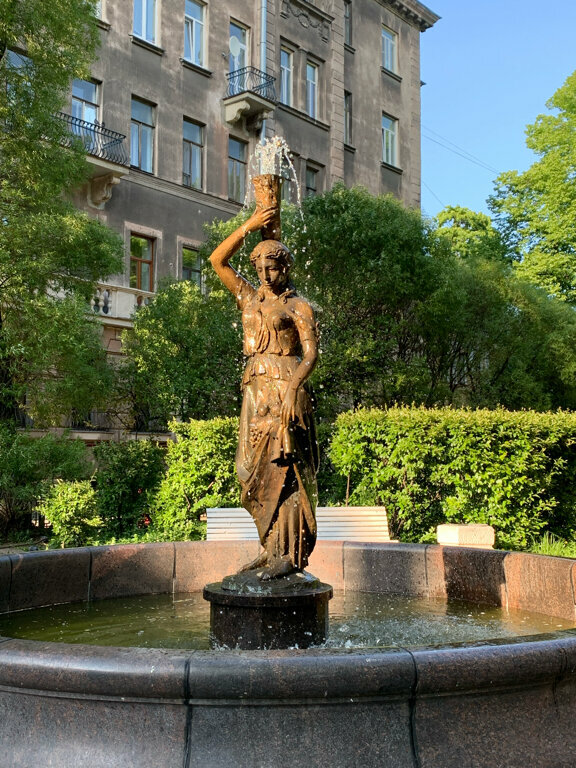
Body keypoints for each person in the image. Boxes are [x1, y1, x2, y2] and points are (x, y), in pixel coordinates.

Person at [209, 205, 319, 580]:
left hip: (286, 386)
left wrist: (293, 390)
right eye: (259, 269)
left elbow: (311, 354)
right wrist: (251, 225)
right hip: (255, 388)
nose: (264, 275)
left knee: (285, 467)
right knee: (251, 469)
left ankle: (288, 554)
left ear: (285, 268)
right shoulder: (249, 297)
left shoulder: (299, 305)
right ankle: (269, 548)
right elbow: (217, 260)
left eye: (271, 268)